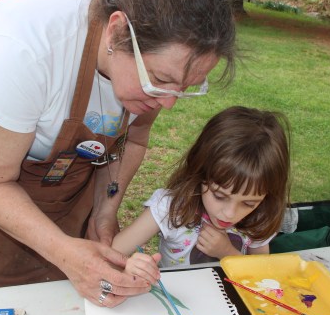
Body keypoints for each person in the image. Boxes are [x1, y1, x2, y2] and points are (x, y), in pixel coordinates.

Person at [0, 0, 236, 307]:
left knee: (62, 301)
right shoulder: (26, 46)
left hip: (66, 173)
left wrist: (104, 211)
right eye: (160, 80)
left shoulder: (155, 63)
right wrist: (66, 253)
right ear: (117, 31)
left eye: (185, 88)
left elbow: (133, 139)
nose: (168, 103)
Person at [112, 106, 291, 283]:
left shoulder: (260, 216)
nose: (229, 214)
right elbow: (111, 255)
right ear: (200, 173)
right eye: (219, 196)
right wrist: (129, 266)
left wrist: (228, 253)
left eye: (249, 203)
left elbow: (262, 274)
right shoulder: (170, 208)